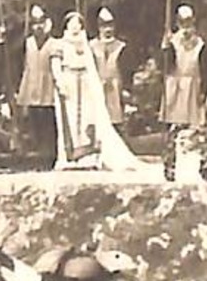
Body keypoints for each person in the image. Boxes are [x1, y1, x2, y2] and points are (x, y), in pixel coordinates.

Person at [50, 13, 144, 172]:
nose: (75, 27)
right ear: (66, 26)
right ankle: (69, 157)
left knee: (87, 121)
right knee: (71, 121)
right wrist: (60, 82)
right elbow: (55, 65)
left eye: (78, 24)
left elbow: (92, 67)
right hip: (69, 83)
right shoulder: (60, 45)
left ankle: (87, 157)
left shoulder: (85, 45)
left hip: (85, 85)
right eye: (72, 24)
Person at [162, 4, 207, 137]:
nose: (186, 27)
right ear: (177, 23)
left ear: (193, 22)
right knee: (174, 126)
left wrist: (206, 90)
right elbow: (166, 67)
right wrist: (165, 49)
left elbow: (206, 70)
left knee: (194, 128)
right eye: (182, 22)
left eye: (188, 22)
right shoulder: (172, 42)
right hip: (175, 88)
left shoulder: (201, 44)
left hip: (193, 87)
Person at [17, 6, 58, 170]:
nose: (38, 26)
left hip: (48, 88)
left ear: (47, 23)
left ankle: (50, 156)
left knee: (49, 123)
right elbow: (22, 64)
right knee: (35, 124)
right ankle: (38, 156)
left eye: (41, 22)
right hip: (32, 86)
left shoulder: (55, 43)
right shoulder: (28, 43)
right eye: (35, 23)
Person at [91, 7, 129, 129]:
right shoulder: (91, 46)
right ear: (98, 27)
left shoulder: (121, 46)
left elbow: (126, 70)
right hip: (97, 87)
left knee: (115, 119)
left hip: (115, 88)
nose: (107, 29)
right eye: (103, 26)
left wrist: (126, 89)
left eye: (110, 26)